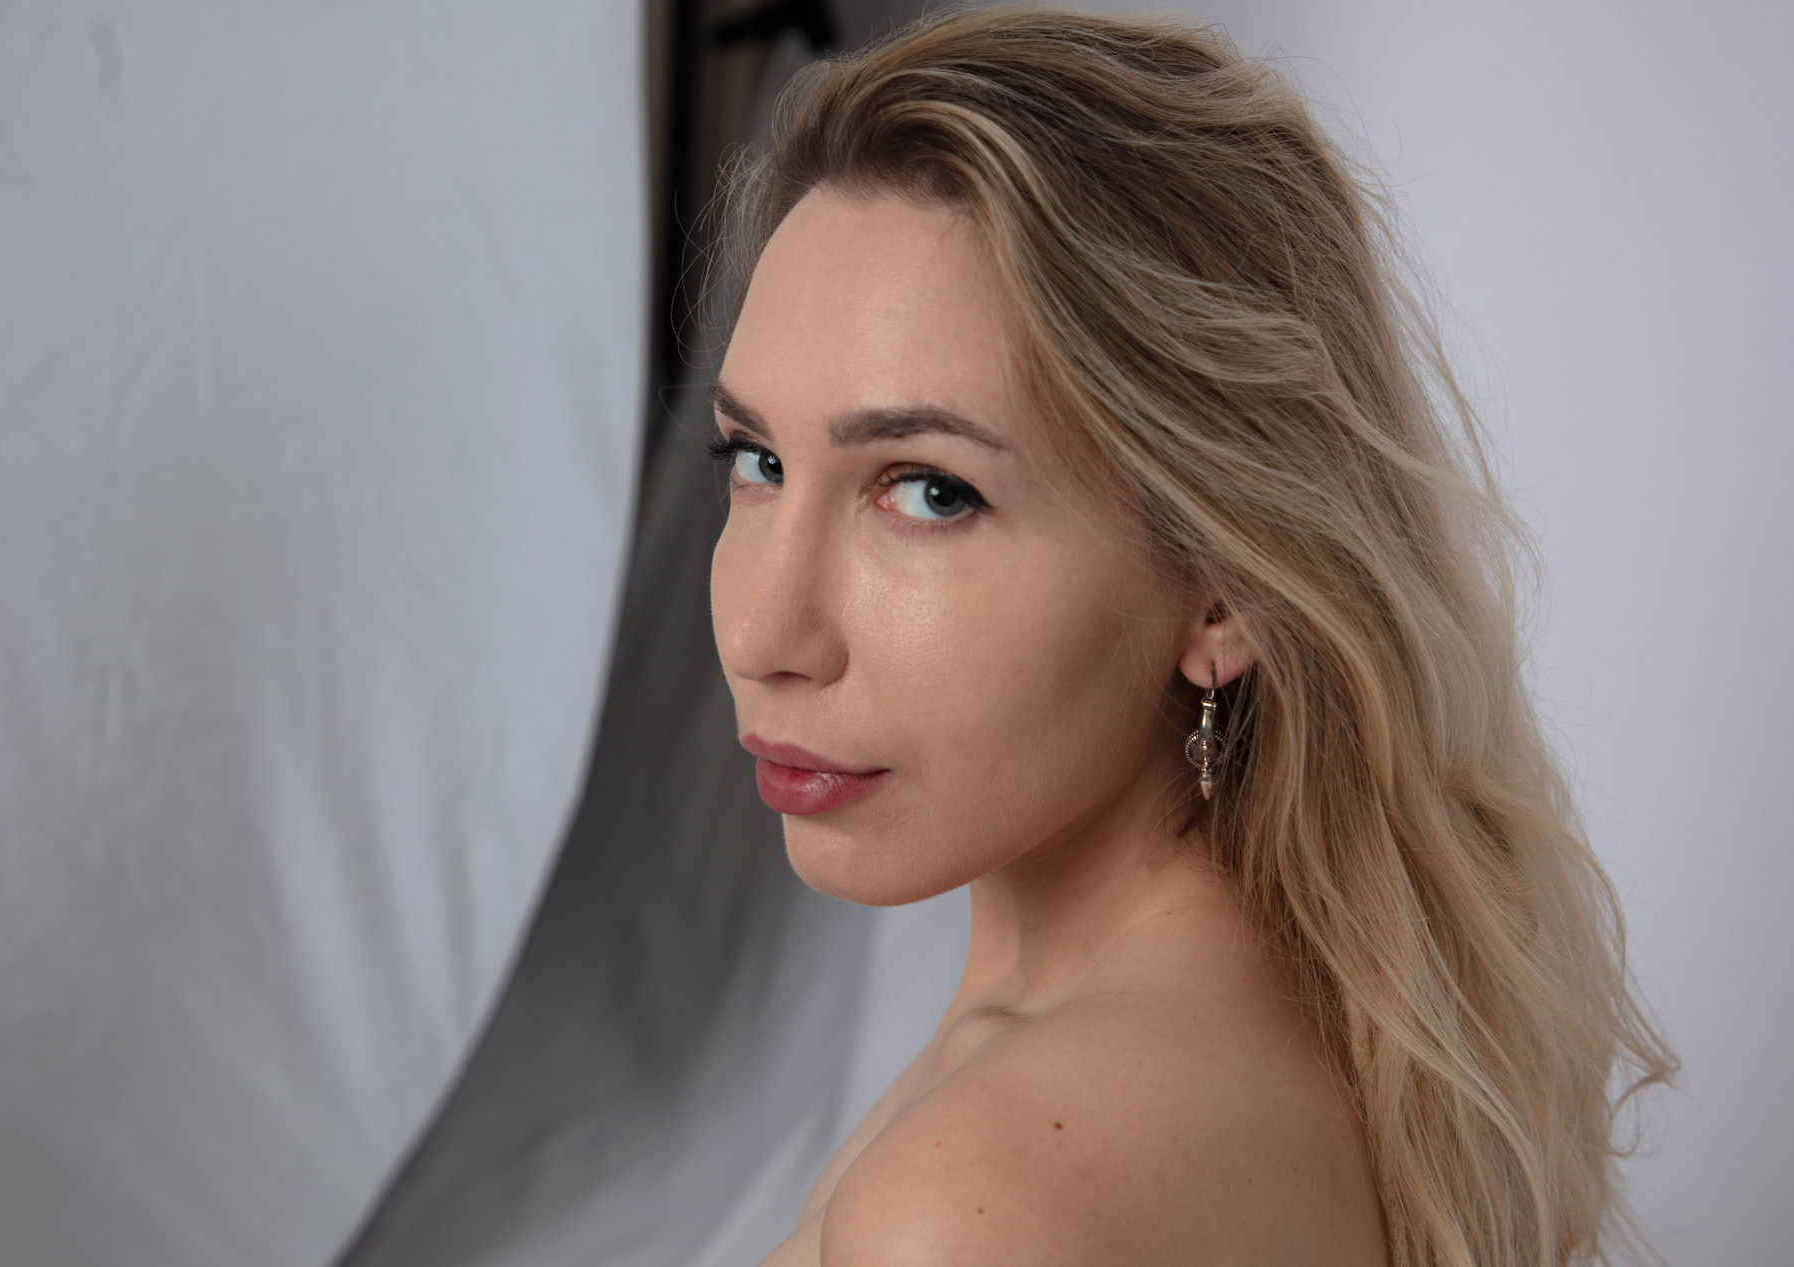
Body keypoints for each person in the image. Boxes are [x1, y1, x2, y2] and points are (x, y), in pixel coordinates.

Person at [698, 6, 1677, 1264]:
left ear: (1225, 587)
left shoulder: (975, 1198)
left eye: (930, 491)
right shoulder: (1309, 1019)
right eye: (757, 460)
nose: (763, 631)